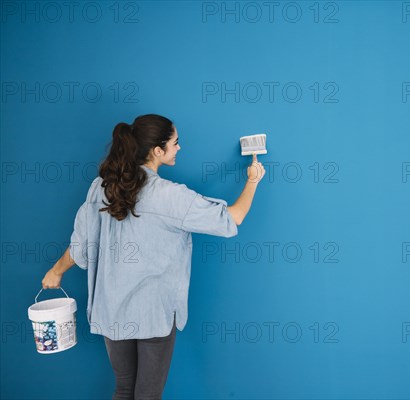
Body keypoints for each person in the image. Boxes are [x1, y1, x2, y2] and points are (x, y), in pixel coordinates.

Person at [41, 114, 265, 399]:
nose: (180, 148)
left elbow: (80, 246)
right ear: (158, 151)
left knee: (124, 389)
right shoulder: (170, 196)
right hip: (153, 314)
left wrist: (56, 271)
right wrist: (253, 181)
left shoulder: (101, 188)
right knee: (148, 395)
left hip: (112, 310)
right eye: (175, 143)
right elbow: (234, 217)